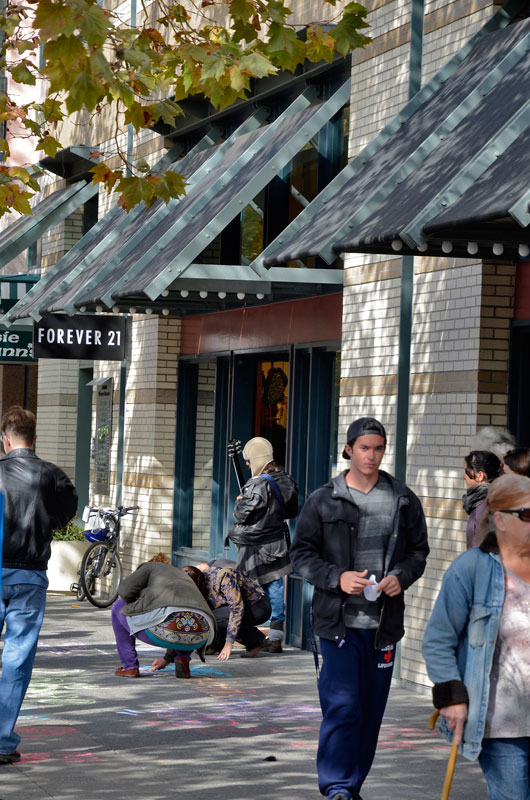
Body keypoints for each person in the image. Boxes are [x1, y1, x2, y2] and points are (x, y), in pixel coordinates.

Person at [291, 417, 429, 800]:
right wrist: (336, 577)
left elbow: (419, 551)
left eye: (378, 448)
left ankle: (352, 786)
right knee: (342, 707)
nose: (372, 455)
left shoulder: (402, 498)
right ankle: (338, 787)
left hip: (383, 627)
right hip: (337, 625)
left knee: (368, 714)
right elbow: (300, 554)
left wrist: (402, 576)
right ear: (349, 449)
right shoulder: (324, 499)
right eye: (364, 448)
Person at [422, 473, 530, 800]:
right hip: (502, 726)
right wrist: (452, 697)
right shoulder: (472, 568)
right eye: (526, 514)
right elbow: (439, 639)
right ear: (500, 519)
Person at [0, 405, 78, 765]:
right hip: (29, 574)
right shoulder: (51, 475)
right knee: (17, 657)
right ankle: (2, 741)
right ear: (35, 439)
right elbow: (65, 514)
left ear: (5, 439)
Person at [228, 437, 298, 654]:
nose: (247, 464)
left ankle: (248, 636)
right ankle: (276, 638)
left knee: (245, 590)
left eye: (249, 460)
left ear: (256, 460)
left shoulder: (257, 484)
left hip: (254, 546)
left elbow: (242, 514)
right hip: (277, 543)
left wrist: (239, 501)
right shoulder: (286, 480)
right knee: (276, 589)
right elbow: (291, 511)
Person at [111, 557, 216, 679]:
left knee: (119, 606)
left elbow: (125, 592)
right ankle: (183, 658)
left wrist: (138, 600)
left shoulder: (148, 567)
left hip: (162, 633)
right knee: (184, 617)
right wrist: (167, 659)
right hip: (201, 636)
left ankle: (130, 666)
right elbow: (178, 627)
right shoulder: (182, 577)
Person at [463, 450, 502, 549]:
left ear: (480, 476)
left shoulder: (485, 506)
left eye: (466, 471)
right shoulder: (486, 500)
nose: (464, 476)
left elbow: (483, 551)